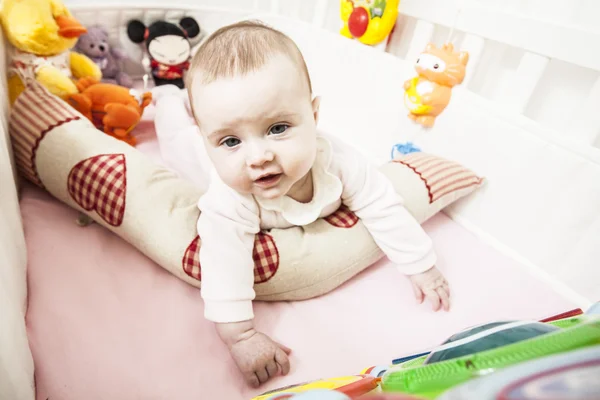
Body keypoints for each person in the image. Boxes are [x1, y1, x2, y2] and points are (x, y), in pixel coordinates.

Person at [159, 20, 451, 388]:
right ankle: (166, 97)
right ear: (210, 143)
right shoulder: (229, 196)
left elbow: (381, 202)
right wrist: (240, 335)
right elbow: (222, 257)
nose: (259, 156)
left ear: (313, 117)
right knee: (173, 137)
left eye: (278, 128)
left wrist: (420, 264)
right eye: (231, 140)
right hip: (192, 161)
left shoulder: (338, 162)